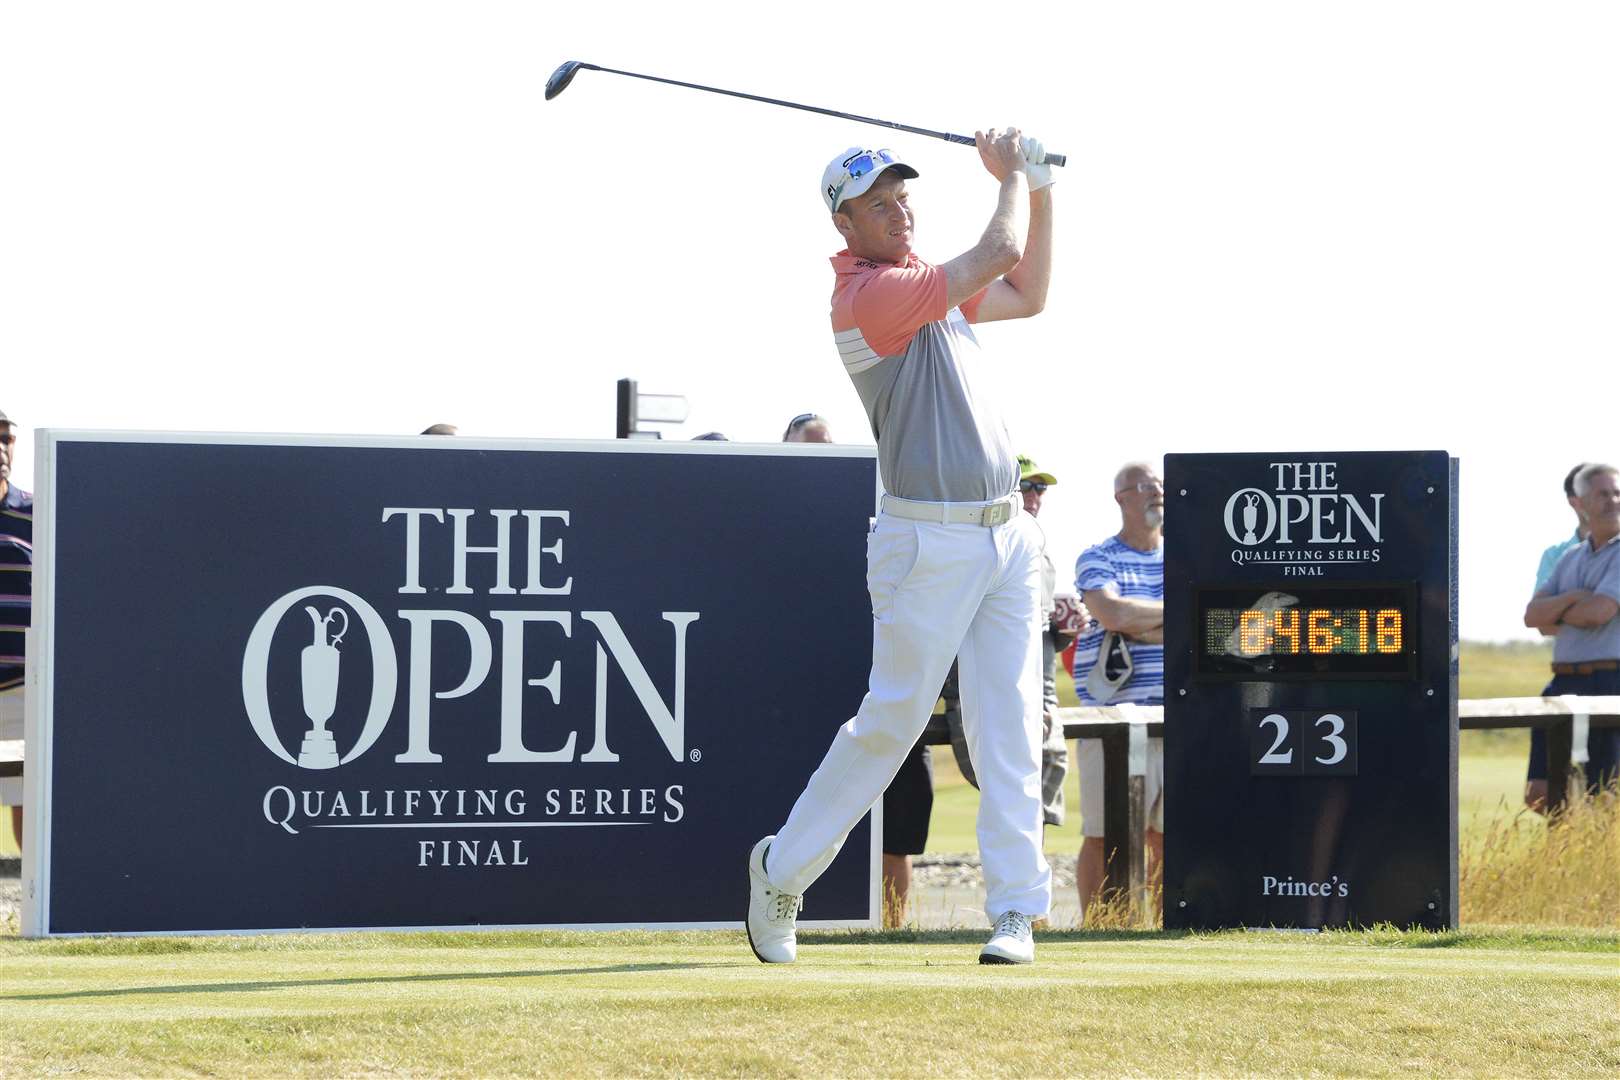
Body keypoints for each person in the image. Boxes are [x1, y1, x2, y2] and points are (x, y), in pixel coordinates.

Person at [746, 129, 1055, 966]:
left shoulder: (929, 290)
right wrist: (1013, 177)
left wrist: (1045, 185)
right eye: (878, 204)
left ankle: (1017, 913)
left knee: (1009, 729)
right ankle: (781, 869)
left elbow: (1027, 290)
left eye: (903, 196)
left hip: (1006, 537)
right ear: (844, 225)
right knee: (892, 723)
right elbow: (1001, 246)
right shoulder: (873, 297)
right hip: (928, 542)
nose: (899, 211)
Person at [944, 455, 1077, 831]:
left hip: (1038, 696)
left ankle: (1025, 889)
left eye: (1041, 488)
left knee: (1035, 813)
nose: (1035, 496)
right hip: (987, 697)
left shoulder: (1042, 549)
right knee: (1007, 804)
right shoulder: (976, 546)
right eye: (1028, 486)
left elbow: (1037, 637)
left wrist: (1064, 636)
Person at [1072, 461, 1165, 920]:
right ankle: (1101, 926)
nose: (1157, 494)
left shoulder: (1184, 556)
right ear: (1121, 498)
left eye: (1161, 486)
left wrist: (1143, 623)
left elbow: (1210, 623)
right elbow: (1113, 615)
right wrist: (1172, 618)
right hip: (1114, 721)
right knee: (1104, 832)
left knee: (1169, 836)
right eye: (1145, 486)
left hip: (1175, 717)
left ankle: (1160, 928)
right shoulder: (1098, 557)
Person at [1522, 462, 1620, 812]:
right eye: (1602, 494)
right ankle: (1563, 856)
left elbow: (1601, 613)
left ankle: (1594, 860)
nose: (1613, 501)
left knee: (1605, 793)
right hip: (1563, 682)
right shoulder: (1566, 557)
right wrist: (1575, 598)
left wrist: (1561, 609)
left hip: (1610, 682)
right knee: (1542, 792)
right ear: (1578, 502)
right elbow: (1534, 617)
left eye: (1617, 493)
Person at [0, 408, 32, 850]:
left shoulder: (39, 513)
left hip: (23, 687)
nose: (0, 449)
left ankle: (33, 914)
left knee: (28, 797)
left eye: (5, 438)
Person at [1535, 464, 1589, 592]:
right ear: (1574, 502)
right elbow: (1540, 610)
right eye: (1598, 494)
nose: (1611, 501)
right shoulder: (1554, 555)